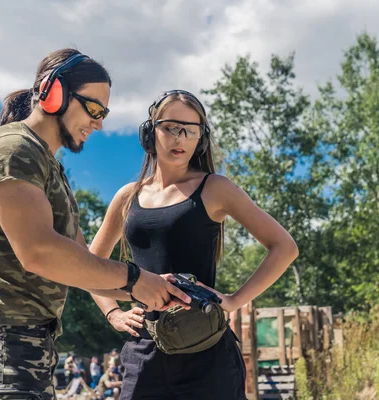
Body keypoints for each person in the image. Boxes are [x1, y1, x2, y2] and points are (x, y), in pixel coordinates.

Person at [0, 49, 191, 400]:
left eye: (104, 113)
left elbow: (80, 263)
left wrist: (152, 289)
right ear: (54, 92)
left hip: (25, 339)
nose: (100, 123)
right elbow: (39, 252)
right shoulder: (13, 149)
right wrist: (136, 279)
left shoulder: (48, 165)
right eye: (93, 109)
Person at [89, 90, 299, 399]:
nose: (180, 138)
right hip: (145, 348)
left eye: (191, 130)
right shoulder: (127, 197)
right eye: (170, 127)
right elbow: (89, 266)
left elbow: (284, 247)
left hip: (206, 349)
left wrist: (233, 300)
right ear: (150, 132)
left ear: (201, 137)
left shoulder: (215, 188)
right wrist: (113, 313)